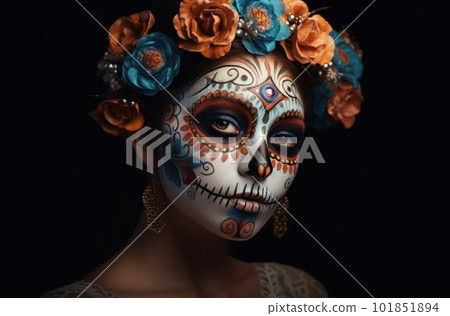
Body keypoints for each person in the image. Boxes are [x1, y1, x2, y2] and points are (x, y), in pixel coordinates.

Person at [41, 0, 363, 298]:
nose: (261, 166)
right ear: (146, 145)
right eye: (222, 125)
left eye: (286, 141)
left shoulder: (299, 292)